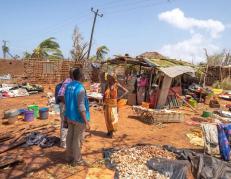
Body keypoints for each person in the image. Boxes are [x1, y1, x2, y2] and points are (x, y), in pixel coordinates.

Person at [64, 68, 90, 166]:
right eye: (83, 75)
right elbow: (81, 107)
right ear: (81, 76)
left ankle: (68, 156)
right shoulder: (80, 88)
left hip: (70, 116)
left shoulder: (68, 86)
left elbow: (66, 102)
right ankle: (77, 160)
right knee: (77, 139)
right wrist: (86, 121)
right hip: (79, 118)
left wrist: (66, 116)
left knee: (69, 137)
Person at [103, 72, 128, 138]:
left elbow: (126, 91)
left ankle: (113, 132)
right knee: (107, 118)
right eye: (108, 77)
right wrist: (103, 103)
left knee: (113, 118)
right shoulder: (107, 85)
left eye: (109, 77)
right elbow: (104, 95)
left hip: (114, 104)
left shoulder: (116, 84)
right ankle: (109, 131)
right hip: (107, 104)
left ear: (113, 77)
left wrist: (119, 97)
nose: (108, 78)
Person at [58, 69, 74, 148]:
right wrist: (67, 105)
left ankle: (67, 141)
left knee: (69, 123)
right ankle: (63, 143)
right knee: (65, 124)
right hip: (65, 106)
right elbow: (61, 95)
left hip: (68, 106)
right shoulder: (68, 82)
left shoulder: (73, 82)